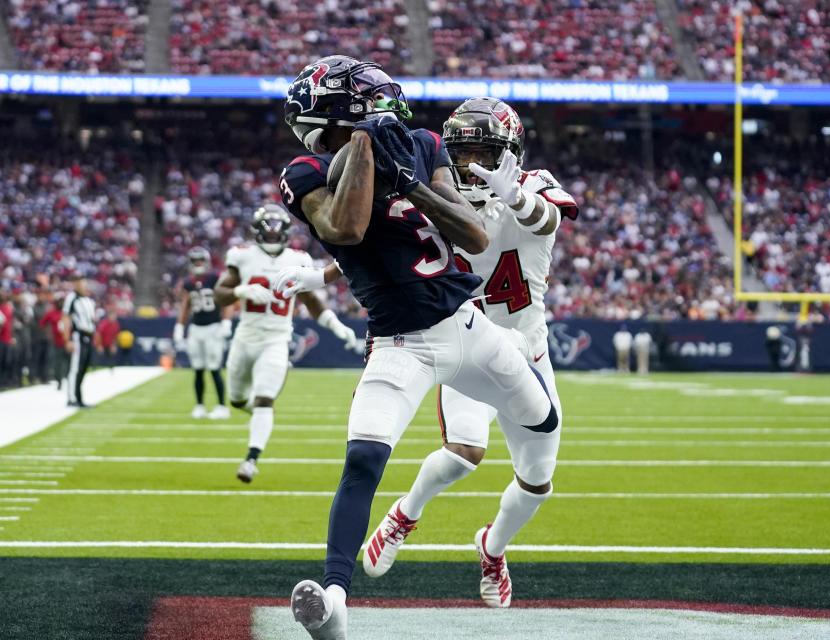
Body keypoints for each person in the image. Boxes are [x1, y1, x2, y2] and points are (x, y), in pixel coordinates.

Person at [276, 58, 557, 639]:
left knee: (543, 422)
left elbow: (473, 234)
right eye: (365, 96)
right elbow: (347, 229)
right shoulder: (305, 172)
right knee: (363, 460)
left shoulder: (422, 144)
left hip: (472, 328)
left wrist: (410, 180)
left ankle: (482, 539)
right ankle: (333, 601)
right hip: (399, 344)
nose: (384, 100)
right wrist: (362, 150)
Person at [360, 97, 578, 608]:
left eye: (486, 151)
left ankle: (492, 549)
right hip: (470, 338)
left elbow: (548, 221)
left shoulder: (531, 184)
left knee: (537, 481)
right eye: (463, 153)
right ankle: (403, 516)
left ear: (511, 151)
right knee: (466, 452)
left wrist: (512, 196)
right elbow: (393, 241)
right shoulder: (440, 193)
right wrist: (322, 274)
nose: (472, 163)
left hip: (529, 345)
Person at [213, 204, 361, 484]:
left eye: (275, 233)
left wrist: (335, 324)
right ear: (256, 232)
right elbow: (219, 294)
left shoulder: (298, 259)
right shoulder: (242, 257)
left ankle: (251, 460)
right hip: (245, 337)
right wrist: (240, 290)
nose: (271, 238)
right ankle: (258, 412)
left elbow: (310, 300)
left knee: (265, 397)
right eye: (266, 233)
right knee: (237, 399)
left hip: (276, 338)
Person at [174, 247, 232, 419]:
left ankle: (222, 406)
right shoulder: (188, 282)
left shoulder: (215, 278)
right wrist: (180, 326)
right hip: (196, 328)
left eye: (200, 260)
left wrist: (226, 322)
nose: (198, 264)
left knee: (214, 368)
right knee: (198, 368)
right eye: (195, 261)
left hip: (213, 327)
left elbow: (227, 299)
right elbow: (186, 305)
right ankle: (199, 405)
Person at [63, 275, 97, 407]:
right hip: (78, 336)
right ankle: (72, 398)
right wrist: (67, 339)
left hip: (88, 335)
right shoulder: (72, 298)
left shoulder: (88, 300)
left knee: (83, 368)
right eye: (78, 283)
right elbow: (66, 318)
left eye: (82, 282)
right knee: (76, 368)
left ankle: (79, 397)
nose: (81, 285)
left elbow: (90, 318)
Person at [39, 294, 68, 389]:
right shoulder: (51, 312)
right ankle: (58, 380)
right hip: (56, 341)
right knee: (57, 362)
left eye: (62, 301)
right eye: (59, 300)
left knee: (67, 361)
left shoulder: (67, 312)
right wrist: (48, 333)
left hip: (67, 341)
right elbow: (42, 323)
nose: (61, 303)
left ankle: (67, 379)